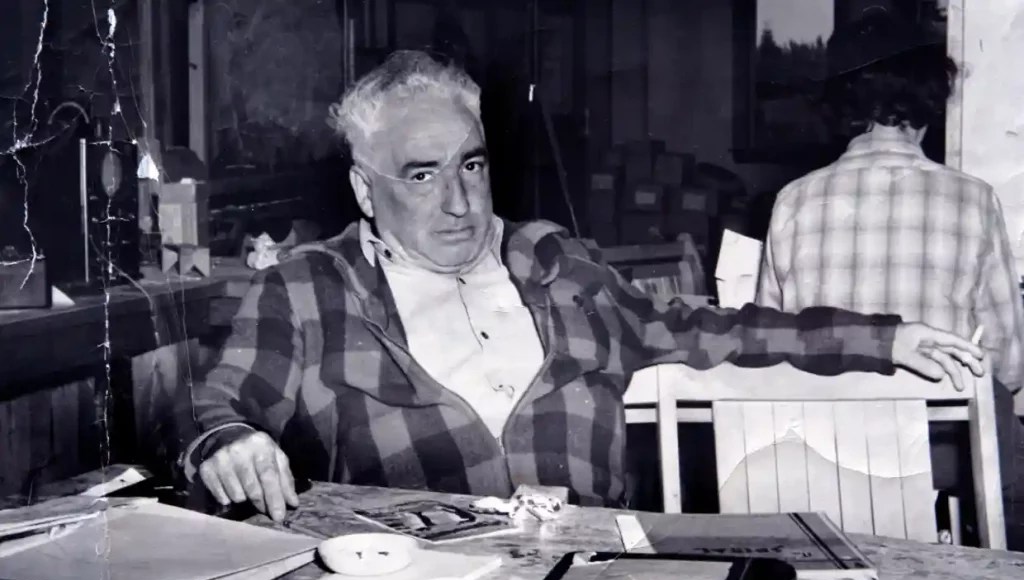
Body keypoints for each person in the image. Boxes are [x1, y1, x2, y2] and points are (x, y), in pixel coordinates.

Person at [181, 49, 984, 524]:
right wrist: (227, 441)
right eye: (422, 175)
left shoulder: (561, 268)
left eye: (471, 165)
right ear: (366, 189)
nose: (459, 201)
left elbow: (719, 329)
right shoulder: (308, 289)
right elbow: (212, 403)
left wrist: (888, 338)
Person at [755, 10, 1024, 548]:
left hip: (822, 450)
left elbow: (767, 347)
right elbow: (1009, 363)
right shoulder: (974, 199)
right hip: (938, 453)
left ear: (842, 103)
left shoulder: (792, 199)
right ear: (930, 99)